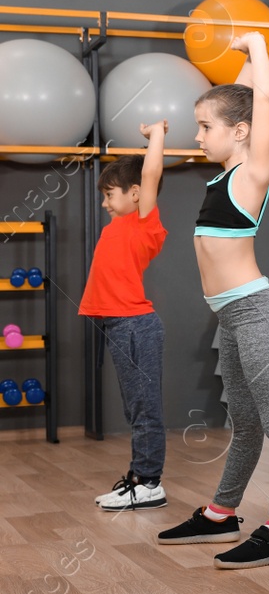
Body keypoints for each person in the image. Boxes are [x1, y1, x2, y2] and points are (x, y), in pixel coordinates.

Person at [156, 31, 269, 567]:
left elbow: (259, 103)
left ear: (242, 133)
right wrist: (244, 63)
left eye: (205, 127)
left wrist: (261, 47)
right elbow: (243, 99)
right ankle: (222, 512)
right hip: (230, 318)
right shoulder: (227, 173)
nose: (198, 136)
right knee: (244, 424)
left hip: (256, 313)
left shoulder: (253, 172)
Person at [83, 121, 170, 512]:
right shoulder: (119, 224)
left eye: (109, 194)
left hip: (134, 326)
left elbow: (150, 173)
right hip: (120, 326)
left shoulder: (143, 224)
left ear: (136, 194)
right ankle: (140, 477)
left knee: (144, 407)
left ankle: (148, 482)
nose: (105, 203)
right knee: (135, 406)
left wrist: (155, 138)